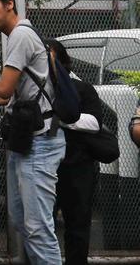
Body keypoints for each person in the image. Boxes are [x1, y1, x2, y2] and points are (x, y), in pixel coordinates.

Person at [0, 0, 63, 265]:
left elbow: (5, 88)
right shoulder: (18, 35)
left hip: (39, 142)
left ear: (9, 4)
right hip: (26, 141)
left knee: (37, 227)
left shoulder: (20, 35)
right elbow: (18, 95)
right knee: (21, 219)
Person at [48, 39, 105, 265]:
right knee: (44, 223)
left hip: (77, 166)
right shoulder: (38, 90)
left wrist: (59, 119)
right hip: (46, 166)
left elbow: (94, 123)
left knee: (78, 225)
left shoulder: (81, 88)